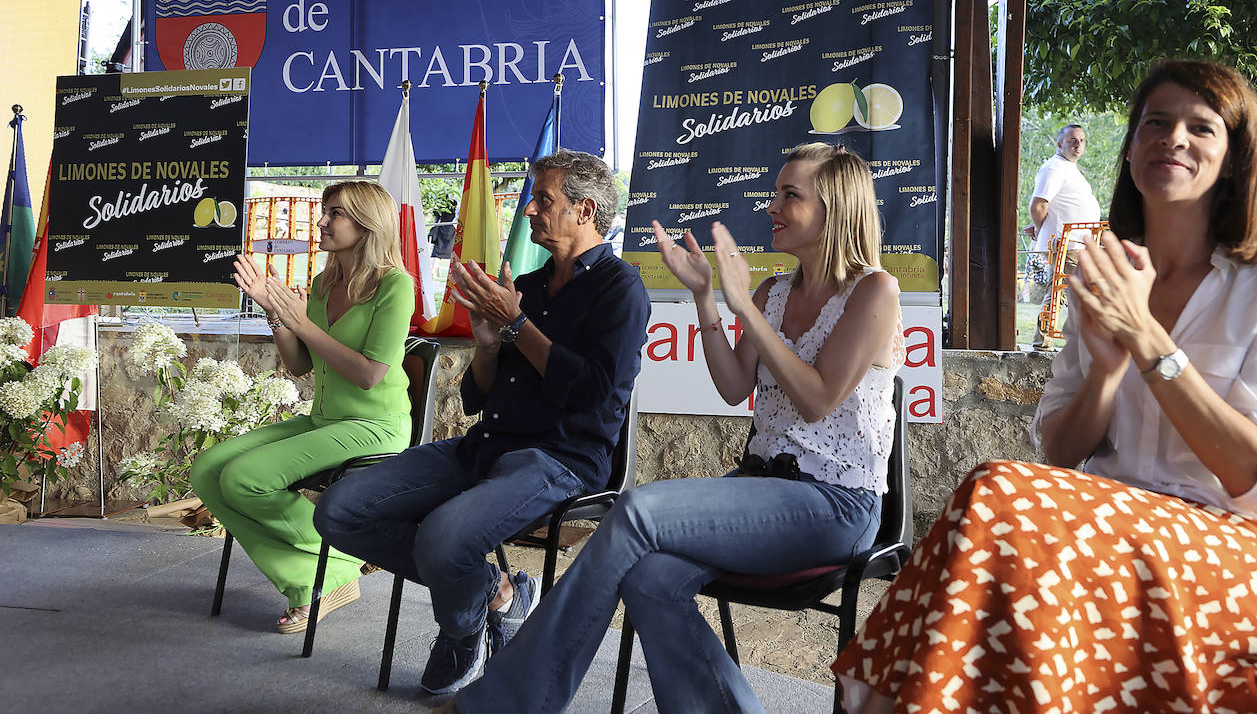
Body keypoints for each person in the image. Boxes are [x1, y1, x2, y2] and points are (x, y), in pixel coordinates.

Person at [833, 60, 1257, 713]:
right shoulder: (1107, 268)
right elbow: (1061, 451)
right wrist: (1107, 370)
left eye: (1202, 127)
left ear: (1235, 156)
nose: (1174, 139)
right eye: (1155, 124)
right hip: (1110, 533)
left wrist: (1144, 336)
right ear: (1131, 148)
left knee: (999, 498)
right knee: (1005, 541)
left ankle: (886, 700)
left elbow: (1256, 472)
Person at [450, 142, 902, 714]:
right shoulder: (774, 292)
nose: (772, 206)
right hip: (761, 489)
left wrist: (748, 310)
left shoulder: (874, 290)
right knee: (649, 581)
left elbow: (817, 400)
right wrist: (707, 298)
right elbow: (736, 386)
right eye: (776, 191)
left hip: (838, 505)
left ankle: (507, 704)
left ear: (836, 208)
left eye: (791, 195)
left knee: (634, 510)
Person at [312, 149, 649, 695]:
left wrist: (514, 323)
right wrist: (489, 345)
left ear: (585, 211)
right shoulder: (531, 286)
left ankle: (461, 632)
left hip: (562, 460)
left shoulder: (620, 288)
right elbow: (482, 394)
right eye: (532, 196)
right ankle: (498, 595)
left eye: (544, 199)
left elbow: (590, 393)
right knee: (339, 509)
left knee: (443, 539)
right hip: (485, 447)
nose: (530, 209)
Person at [190, 180, 414, 633]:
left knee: (245, 478)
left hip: (376, 424)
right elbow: (299, 365)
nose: (321, 221)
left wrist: (301, 323)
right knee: (208, 471)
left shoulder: (395, 285)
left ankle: (343, 557)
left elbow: (370, 374)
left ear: (367, 224)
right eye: (325, 211)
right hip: (324, 419)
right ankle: (327, 573)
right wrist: (274, 311)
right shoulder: (324, 281)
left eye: (335, 213)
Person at [1025, 123, 1100, 349]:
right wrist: (1040, 228)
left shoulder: (1068, 168)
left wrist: (1041, 225)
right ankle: (1043, 341)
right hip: (1066, 244)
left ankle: (1061, 341)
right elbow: (1038, 204)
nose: (1078, 144)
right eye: (1072, 140)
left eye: (1082, 140)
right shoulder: (1054, 168)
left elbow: (1058, 206)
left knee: (1071, 293)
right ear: (1059, 144)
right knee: (1059, 292)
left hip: (1078, 244)